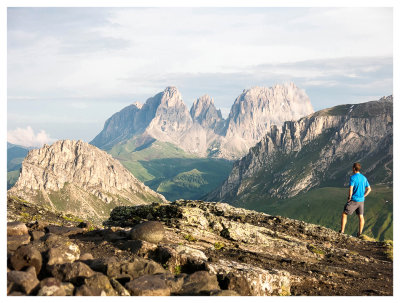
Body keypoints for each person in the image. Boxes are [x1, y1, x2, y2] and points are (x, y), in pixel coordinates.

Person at [339, 162, 371, 236]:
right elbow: (369, 189)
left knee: (344, 213)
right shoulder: (364, 178)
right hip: (361, 200)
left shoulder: (353, 177)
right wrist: (364, 195)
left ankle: (342, 231)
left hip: (354, 200)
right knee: (361, 216)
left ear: (354, 168)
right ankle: (360, 234)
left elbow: (351, 189)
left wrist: (349, 197)